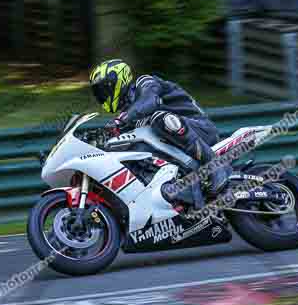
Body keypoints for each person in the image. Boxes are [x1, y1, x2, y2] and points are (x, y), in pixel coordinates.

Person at [89, 59, 231, 200]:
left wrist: (121, 120)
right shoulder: (129, 118)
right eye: (99, 92)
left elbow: (150, 101)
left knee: (160, 118)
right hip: (181, 150)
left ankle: (216, 166)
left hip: (200, 128)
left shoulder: (145, 83)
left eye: (104, 89)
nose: (102, 95)